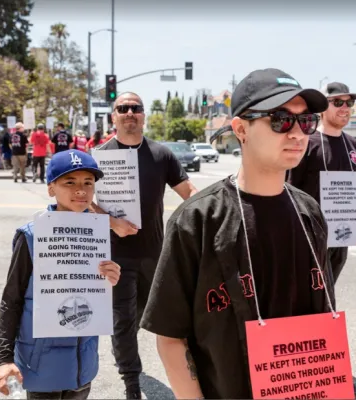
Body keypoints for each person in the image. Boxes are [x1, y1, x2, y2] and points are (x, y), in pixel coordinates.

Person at [140, 68, 336, 399]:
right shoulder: (198, 219)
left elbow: (322, 319)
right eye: (280, 120)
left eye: (306, 121)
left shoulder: (310, 212)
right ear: (241, 129)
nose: (298, 133)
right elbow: (171, 338)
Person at [90, 92, 198, 399]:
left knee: (151, 316)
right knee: (124, 319)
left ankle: (128, 352)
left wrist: (213, 212)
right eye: (122, 108)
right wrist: (113, 222)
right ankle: (131, 382)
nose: (129, 113)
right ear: (113, 117)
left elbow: (189, 191)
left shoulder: (161, 154)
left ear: (143, 115)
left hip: (155, 253)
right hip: (117, 254)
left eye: (135, 108)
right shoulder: (100, 156)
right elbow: (83, 202)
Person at [0, 149, 122, 400]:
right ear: (51, 188)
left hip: (83, 367)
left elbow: (96, 296)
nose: (81, 191)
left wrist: (111, 279)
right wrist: (4, 358)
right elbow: (12, 298)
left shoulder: (99, 233)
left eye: (88, 183)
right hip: (41, 368)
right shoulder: (31, 236)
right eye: (69, 182)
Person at [287, 82, 356, 283]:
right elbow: (290, 190)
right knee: (305, 298)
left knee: (327, 296)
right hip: (308, 239)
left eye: (349, 102)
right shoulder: (306, 141)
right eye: (337, 102)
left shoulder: (352, 145)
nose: (344, 108)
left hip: (340, 239)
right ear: (322, 107)